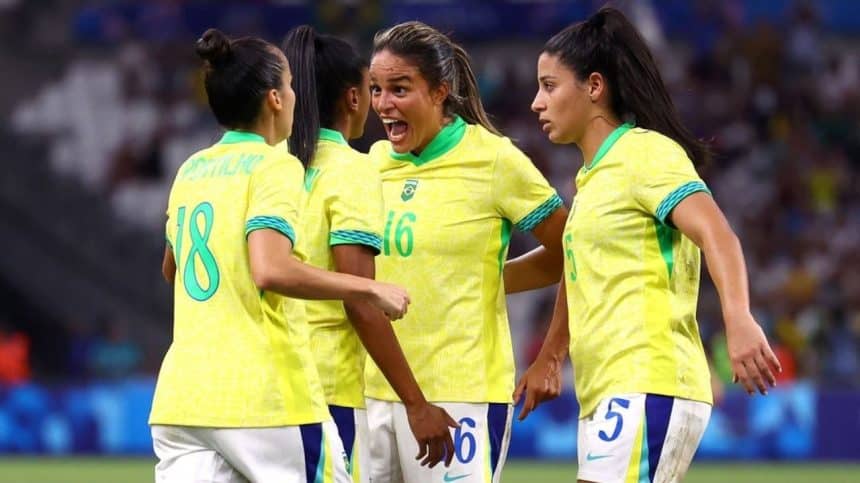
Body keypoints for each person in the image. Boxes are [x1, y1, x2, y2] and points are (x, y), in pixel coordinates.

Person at [515, 8, 782, 483]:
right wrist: (551, 357)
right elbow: (579, 273)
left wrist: (738, 317)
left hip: (649, 380)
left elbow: (716, 232)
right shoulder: (593, 178)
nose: (537, 102)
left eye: (549, 86)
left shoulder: (645, 154)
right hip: (609, 391)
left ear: (594, 87)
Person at [149, 28, 413, 483]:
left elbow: (173, 270)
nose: (296, 96)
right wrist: (369, 287)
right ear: (274, 98)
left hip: (182, 400)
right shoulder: (275, 164)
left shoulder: (191, 168)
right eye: (290, 85)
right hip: (264, 397)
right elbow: (269, 269)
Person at [364, 21, 567, 482]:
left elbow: (572, 253)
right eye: (376, 89)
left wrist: (550, 354)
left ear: (439, 92)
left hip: (461, 396)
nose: (383, 104)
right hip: (373, 393)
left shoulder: (495, 161)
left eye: (399, 88)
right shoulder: (372, 164)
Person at [282, 25, 458, 480]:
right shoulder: (352, 171)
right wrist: (416, 405)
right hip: (325, 389)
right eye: (371, 88)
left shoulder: (268, 166)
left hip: (260, 388)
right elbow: (360, 302)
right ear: (353, 98)